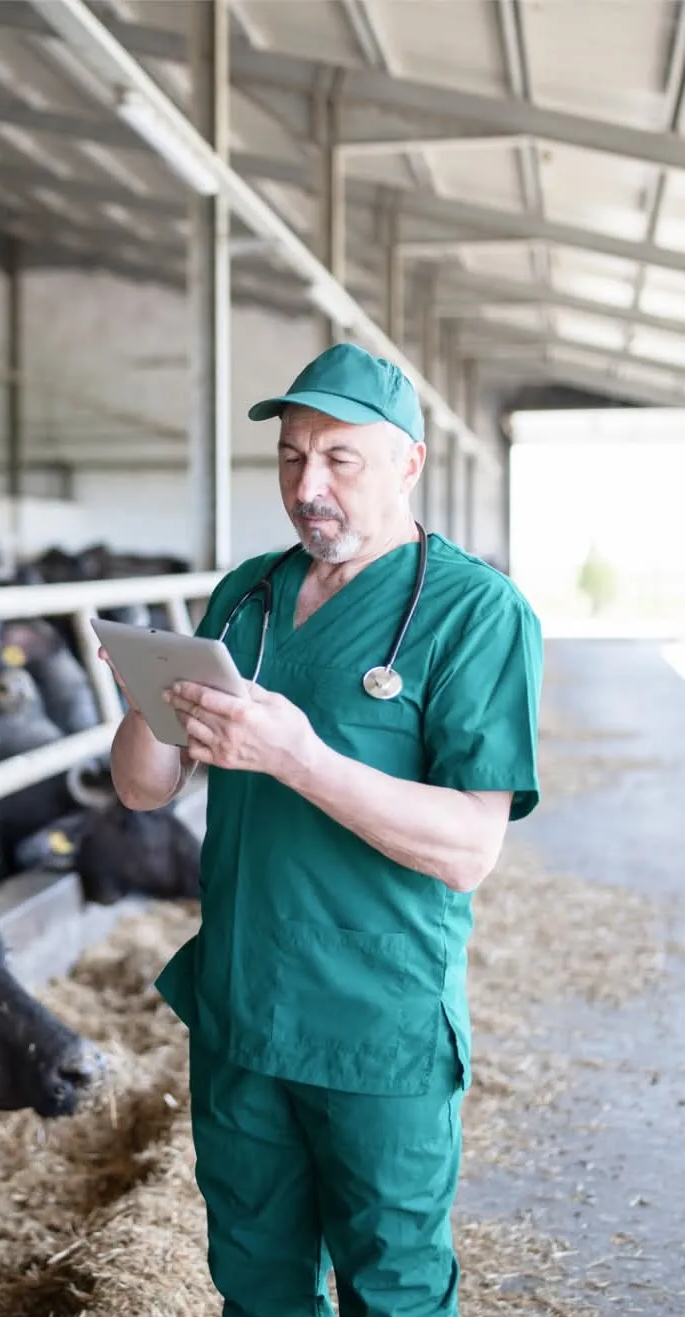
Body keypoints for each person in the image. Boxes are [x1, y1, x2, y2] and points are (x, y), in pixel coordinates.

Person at [101, 341, 543, 1317]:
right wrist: (147, 693)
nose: (310, 486)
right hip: (243, 1011)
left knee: (393, 1290)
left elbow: (469, 848)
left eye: (340, 458)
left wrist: (298, 756)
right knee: (256, 1285)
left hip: (374, 1025)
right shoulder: (247, 595)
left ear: (408, 465)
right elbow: (142, 790)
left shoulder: (476, 613)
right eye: (292, 457)